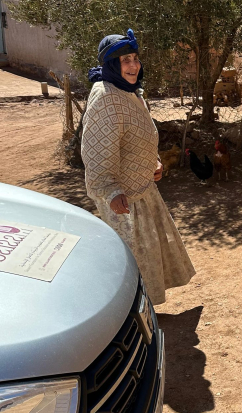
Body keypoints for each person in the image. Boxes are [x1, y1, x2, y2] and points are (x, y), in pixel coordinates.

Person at [82, 29, 195, 305]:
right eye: (125, 60)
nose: (133, 65)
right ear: (112, 65)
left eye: (135, 58)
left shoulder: (127, 90)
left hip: (142, 190)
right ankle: (130, 317)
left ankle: (146, 313)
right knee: (131, 264)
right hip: (124, 201)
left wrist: (152, 161)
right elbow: (95, 151)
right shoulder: (106, 99)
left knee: (148, 258)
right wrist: (110, 191)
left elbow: (135, 136)